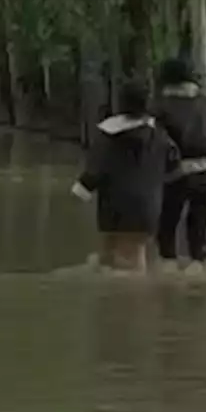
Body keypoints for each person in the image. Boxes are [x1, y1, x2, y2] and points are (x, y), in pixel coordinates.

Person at [71, 80, 180, 272]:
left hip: (115, 207)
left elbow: (96, 168)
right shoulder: (160, 136)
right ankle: (132, 296)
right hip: (148, 206)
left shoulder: (108, 136)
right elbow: (173, 166)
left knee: (112, 254)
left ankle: (120, 298)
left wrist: (81, 190)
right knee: (135, 253)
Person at [152, 58, 206, 274]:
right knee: (199, 228)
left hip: (177, 173)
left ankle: (167, 269)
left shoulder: (159, 106)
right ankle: (198, 266)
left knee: (167, 225)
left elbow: (155, 141)